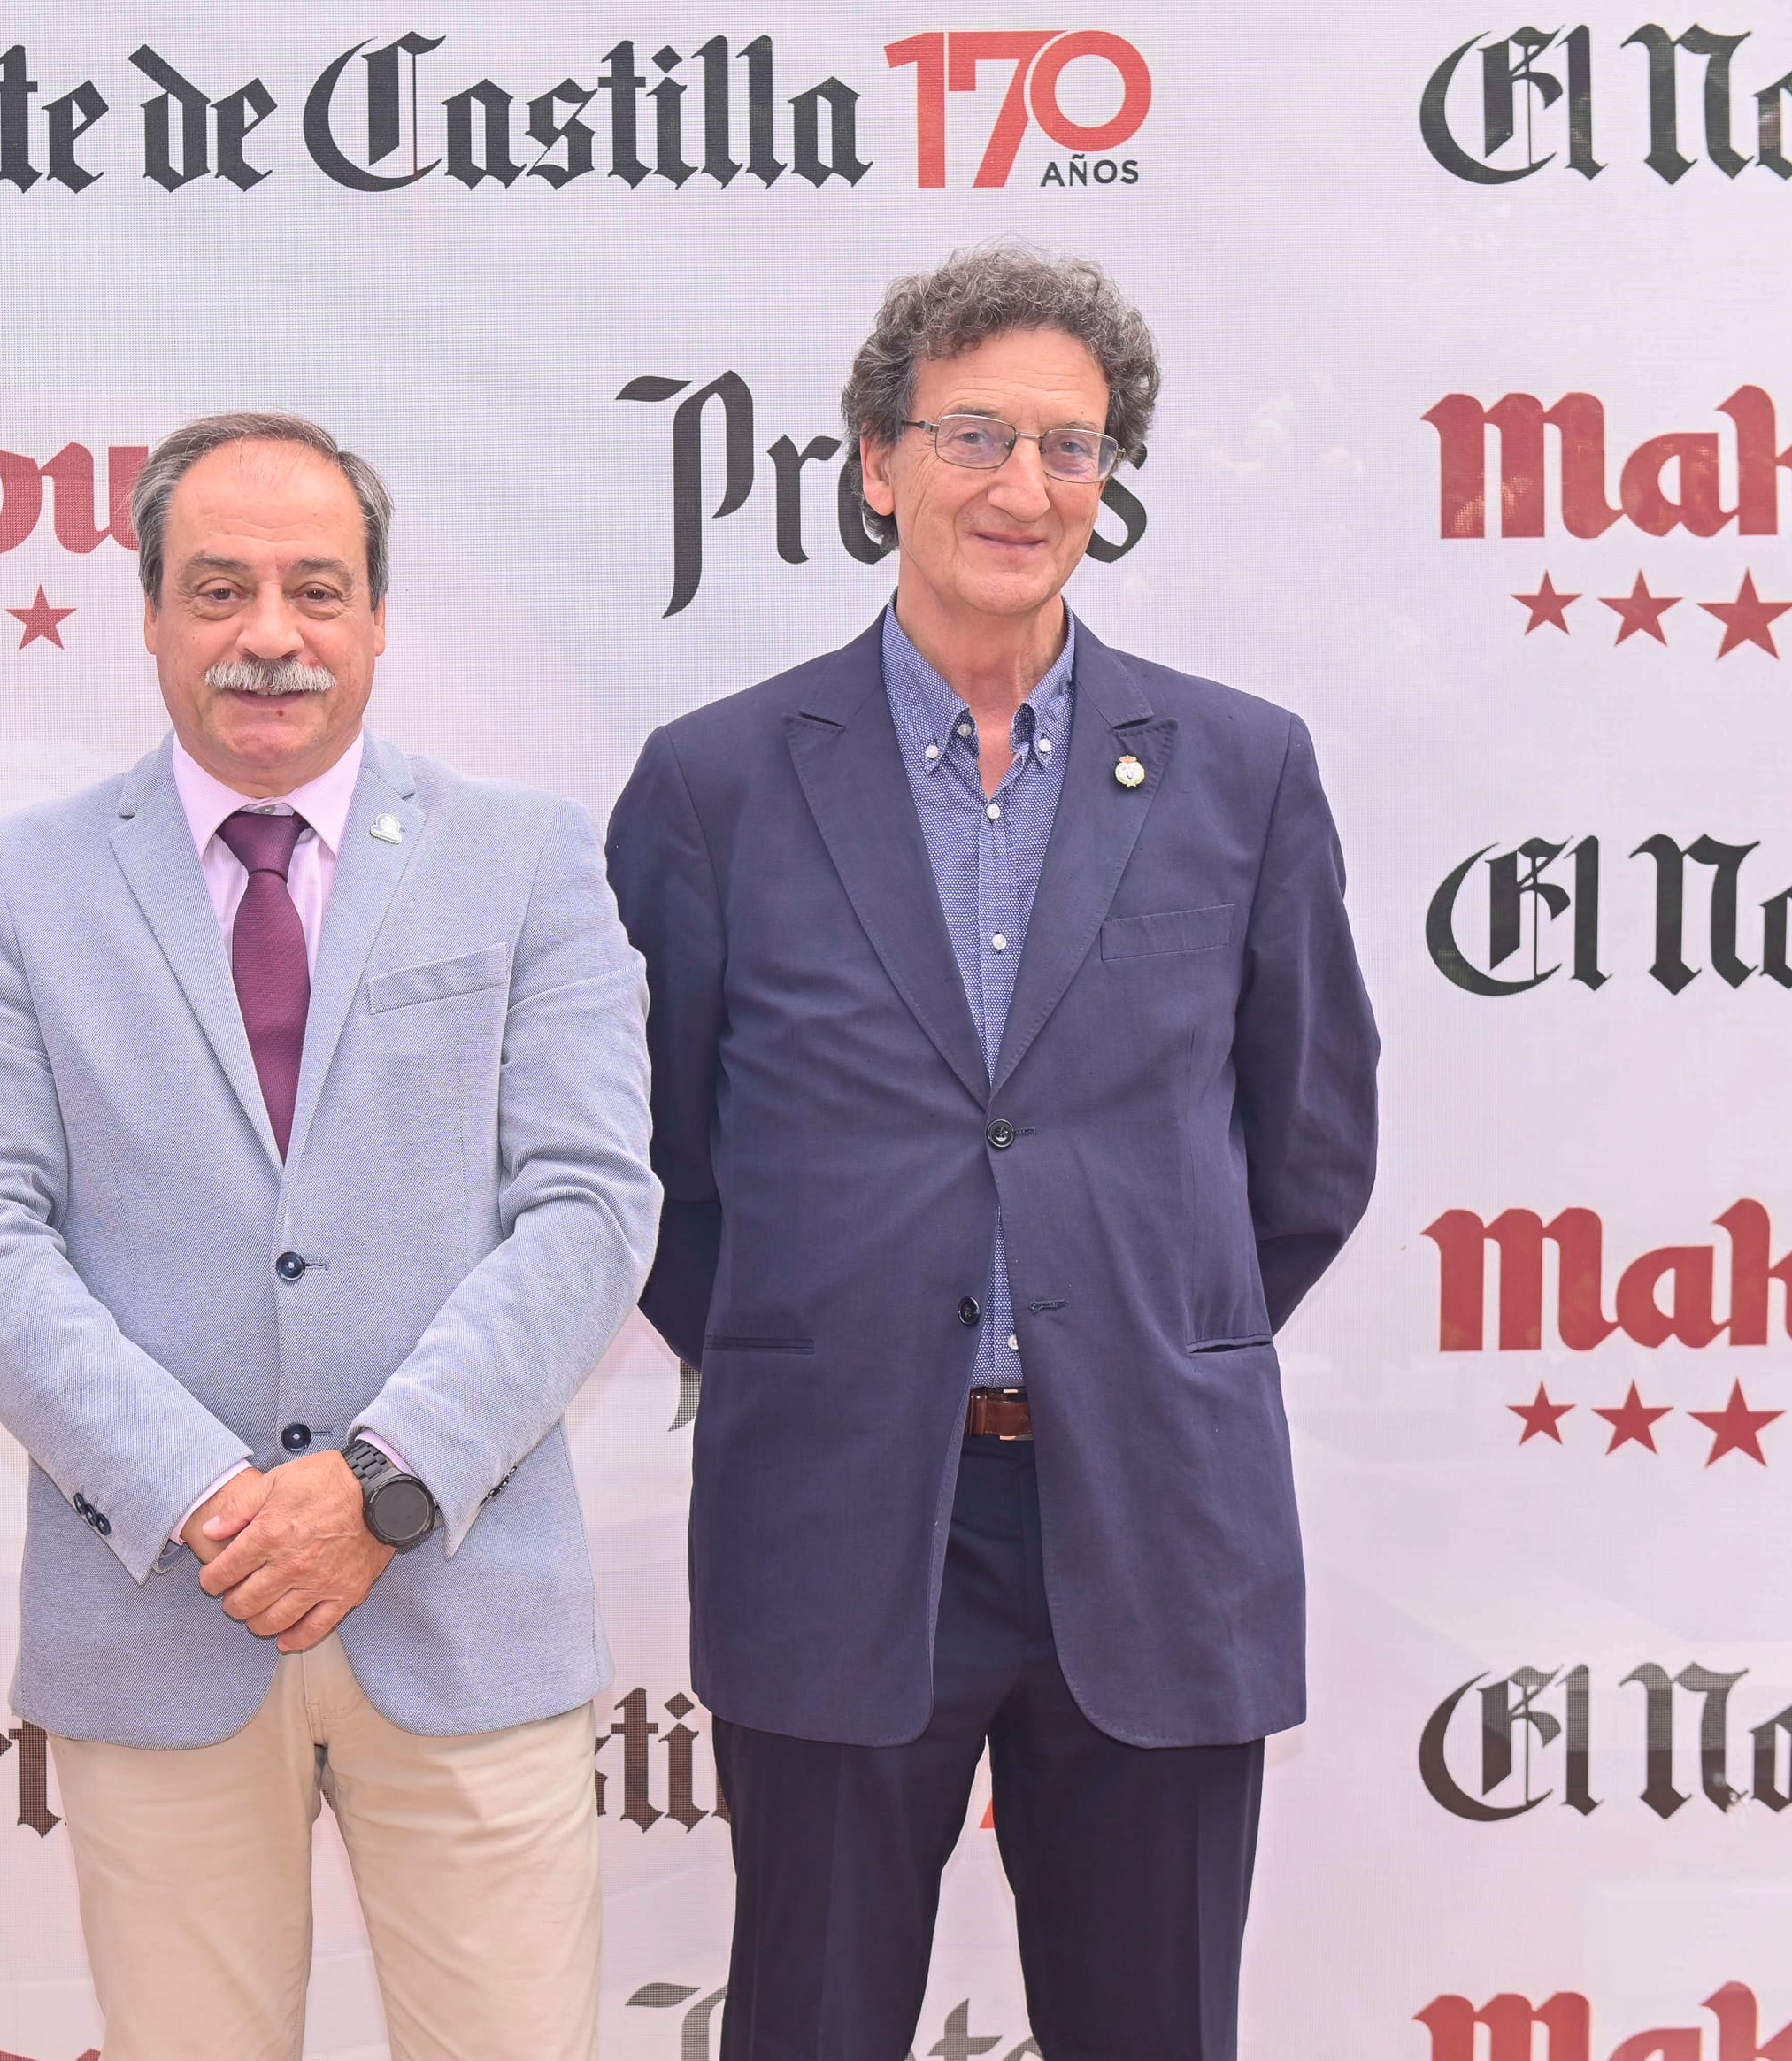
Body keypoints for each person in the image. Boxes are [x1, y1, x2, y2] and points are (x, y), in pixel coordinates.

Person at [605, 243, 1380, 2059]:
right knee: (806, 2023)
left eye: (1067, 446)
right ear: (875, 460)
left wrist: (1132, 1319)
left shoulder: (1239, 768)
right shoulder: (715, 783)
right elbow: (651, 1161)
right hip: (838, 1508)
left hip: (1155, 1516)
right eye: (972, 435)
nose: (1019, 489)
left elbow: (1306, 1142)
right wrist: (832, 1339)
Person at [0, 411, 661, 2061]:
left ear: (379, 617)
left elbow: (590, 1207)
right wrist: (213, 1498)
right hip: (162, 1609)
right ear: (153, 612)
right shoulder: (20, 887)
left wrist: (381, 1482)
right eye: (219, 587)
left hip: (462, 1608)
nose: (268, 635)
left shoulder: (526, 859)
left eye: (316, 589)